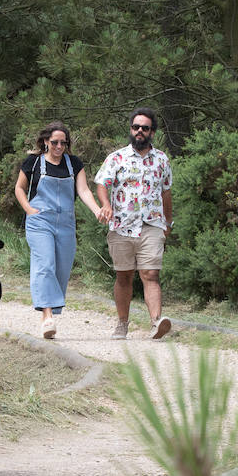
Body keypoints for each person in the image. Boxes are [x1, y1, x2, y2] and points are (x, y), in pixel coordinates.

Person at [13, 122, 107, 339]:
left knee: (62, 270)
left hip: (66, 223)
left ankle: (51, 309)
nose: (58, 146)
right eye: (54, 142)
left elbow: (83, 190)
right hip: (39, 221)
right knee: (45, 264)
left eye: (63, 143)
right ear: (45, 141)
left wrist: (96, 210)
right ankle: (47, 317)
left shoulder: (74, 163)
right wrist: (28, 209)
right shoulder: (33, 162)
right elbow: (19, 188)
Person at [94, 108, 174, 340]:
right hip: (121, 226)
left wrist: (168, 222)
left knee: (150, 274)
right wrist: (105, 205)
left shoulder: (161, 160)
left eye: (145, 128)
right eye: (136, 127)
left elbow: (166, 192)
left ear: (152, 132)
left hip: (152, 225)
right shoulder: (117, 157)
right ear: (131, 129)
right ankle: (122, 323)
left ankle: (156, 322)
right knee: (124, 276)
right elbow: (102, 183)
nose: (139, 131)